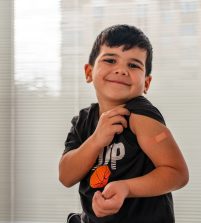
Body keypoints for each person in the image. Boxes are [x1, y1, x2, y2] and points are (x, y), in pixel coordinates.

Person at [59, 24, 189, 223]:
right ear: (89, 72)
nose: (121, 70)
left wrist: (127, 187)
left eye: (133, 65)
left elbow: (177, 173)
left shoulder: (140, 115)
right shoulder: (83, 121)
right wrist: (96, 140)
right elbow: (66, 176)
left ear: (146, 83)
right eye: (110, 60)